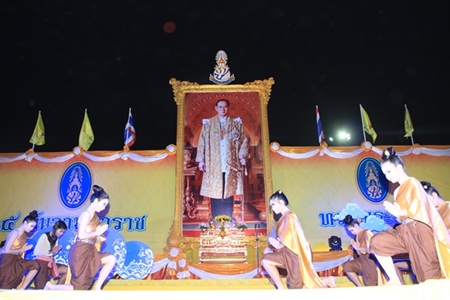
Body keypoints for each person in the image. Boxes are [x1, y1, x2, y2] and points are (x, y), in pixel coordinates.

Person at [370, 147, 450, 285]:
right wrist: (398, 215)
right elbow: (401, 216)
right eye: (385, 174)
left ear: (399, 167)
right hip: (405, 231)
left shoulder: (412, 182)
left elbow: (418, 206)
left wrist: (401, 213)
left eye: (389, 171)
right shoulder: (396, 192)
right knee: (377, 242)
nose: (388, 177)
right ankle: (394, 279)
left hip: (420, 230)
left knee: (428, 276)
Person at [45, 185, 116, 290]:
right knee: (78, 288)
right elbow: (82, 235)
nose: (104, 207)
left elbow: (93, 236)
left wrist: (99, 234)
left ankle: (97, 288)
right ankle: (50, 287)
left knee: (111, 259)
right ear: (96, 200)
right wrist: (97, 233)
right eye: (103, 204)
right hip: (81, 250)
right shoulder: (86, 214)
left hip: (90, 250)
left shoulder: (94, 216)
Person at [261, 190, 335, 289]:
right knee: (266, 260)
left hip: (295, 254)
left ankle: (326, 281)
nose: (272, 208)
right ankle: (281, 288)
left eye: (273, 204)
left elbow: (289, 239)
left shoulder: (289, 216)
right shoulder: (284, 218)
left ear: (281, 203)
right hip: (287, 253)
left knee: (298, 287)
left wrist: (277, 244)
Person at [195, 99, 249, 219]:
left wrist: (241, 155)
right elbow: (202, 142)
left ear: (228, 108)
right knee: (216, 191)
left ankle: (229, 218)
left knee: (229, 191)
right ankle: (216, 219)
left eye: (225, 107)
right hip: (214, 163)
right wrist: (201, 160)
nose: (222, 109)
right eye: (220, 107)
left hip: (230, 163)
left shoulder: (236, 123)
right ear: (216, 108)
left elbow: (244, 140)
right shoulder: (208, 124)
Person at [0, 210, 40, 289]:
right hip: (7, 260)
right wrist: (21, 250)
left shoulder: (24, 235)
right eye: (31, 226)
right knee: (5, 286)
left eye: (33, 227)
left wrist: (22, 251)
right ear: (25, 223)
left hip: (18, 259)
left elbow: (21, 251)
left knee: (35, 265)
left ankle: (22, 289)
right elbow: (6, 250)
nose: (32, 229)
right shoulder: (15, 232)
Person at [342, 214, 379, 286]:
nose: (351, 232)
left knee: (370, 283)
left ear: (356, 225)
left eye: (352, 230)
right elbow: (359, 253)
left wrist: (358, 248)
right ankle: (360, 286)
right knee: (347, 266)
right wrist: (356, 249)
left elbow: (371, 249)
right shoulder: (357, 236)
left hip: (369, 260)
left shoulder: (367, 233)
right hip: (361, 260)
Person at [32, 220, 68, 289]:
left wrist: (55, 251)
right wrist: (50, 252)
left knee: (67, 270)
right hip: (41, 264)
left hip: (50, 263)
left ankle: (56, 290)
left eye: (63, 232)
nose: (62, 234)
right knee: (40, 290)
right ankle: (25, 290)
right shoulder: (44, 236)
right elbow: (36, 252)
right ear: (55, 228)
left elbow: (52, 253)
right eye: (60, 231)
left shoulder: (56, 238)